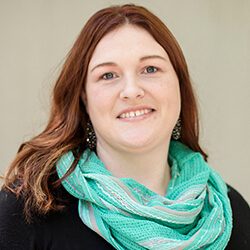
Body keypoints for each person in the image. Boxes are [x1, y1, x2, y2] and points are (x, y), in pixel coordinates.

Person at [0, 4, 249, 250]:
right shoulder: (29, 211)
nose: (131, 91)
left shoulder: (228, 212)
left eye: (150, 69)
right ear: (84, 99)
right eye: (108, 75)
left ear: (179, 86)